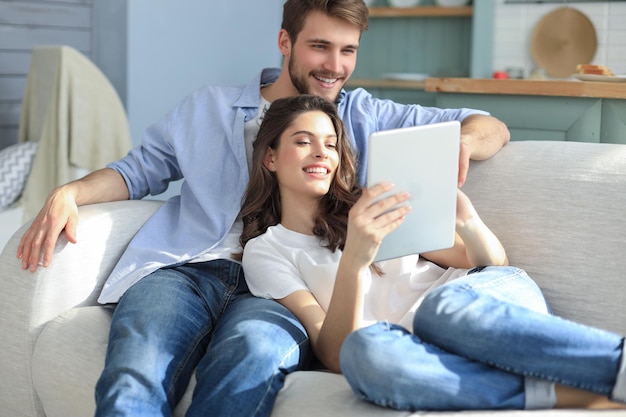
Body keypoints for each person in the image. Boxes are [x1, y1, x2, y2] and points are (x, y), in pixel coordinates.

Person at [16, 0, 509, 415]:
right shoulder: (207, 108)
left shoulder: (365, 114)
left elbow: (492, 126)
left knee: (249, 361)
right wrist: (70, 192)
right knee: (136, 370)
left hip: (282, 287)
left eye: (347, 51)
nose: (333, 66)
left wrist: (459, 143)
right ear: (284, 42)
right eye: (319, 46)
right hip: (185, 270)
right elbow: (136, 171)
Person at [240, 93, 626, 412]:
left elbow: (491, 265)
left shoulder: (372, 203)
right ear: (271, 157)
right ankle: (561, 393)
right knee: (364, 356)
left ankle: (618, 365)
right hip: (416, 350)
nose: (321, 153)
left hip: (479, 307)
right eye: (303, 141)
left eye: (330, 143)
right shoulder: (267, 251)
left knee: (439, 310)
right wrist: (356, 259)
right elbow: (333, 353)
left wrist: (467, 220)